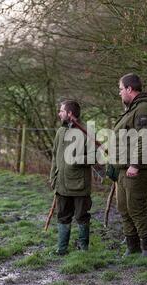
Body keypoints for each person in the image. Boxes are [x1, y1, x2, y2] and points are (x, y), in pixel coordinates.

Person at [108, 73, 147, 257]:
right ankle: (132, 247)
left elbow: (144, 139)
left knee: (136, 209)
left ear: (129, 89)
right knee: (123, 209)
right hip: (122, 169)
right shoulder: (130, 109)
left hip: (136, 170)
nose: (119, 93)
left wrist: (135, 165)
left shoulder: (143, 109)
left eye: (121, 89)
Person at [50, 100, 92, 255]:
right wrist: (52, 177)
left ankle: (83, 250)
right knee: (62, 216)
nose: (59, 113)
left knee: (82, 216)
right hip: (61, 183)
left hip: (80, 185)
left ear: (70, 113)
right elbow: (55, 156)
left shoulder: (86, 132)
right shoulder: (60, 131)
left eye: (62, 111)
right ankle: (62, 249)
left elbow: (96, 156)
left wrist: (76, 159)